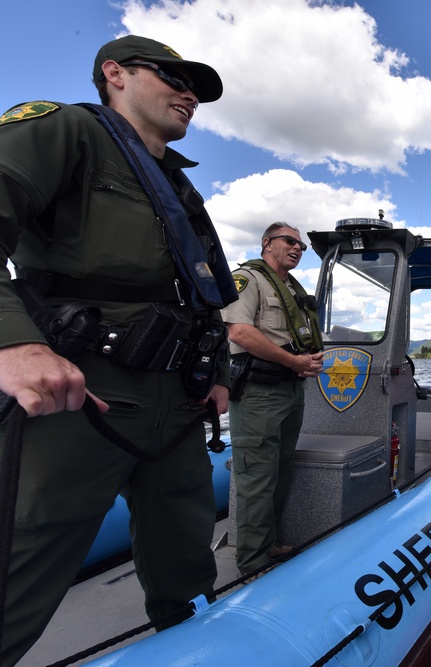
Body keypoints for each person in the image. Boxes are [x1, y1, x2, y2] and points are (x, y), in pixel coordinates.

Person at [0, 35, 235, 665]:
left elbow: (203, 295)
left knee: (186, 561)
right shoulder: (65, 131)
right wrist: (14, 343)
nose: (190, 94)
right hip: (80, 395)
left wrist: (216, 373)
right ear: (115, 74)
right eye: (174, 77)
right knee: (27, 554)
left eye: (198, 89)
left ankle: (195, 650)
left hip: (178, 405)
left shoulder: (181, 192)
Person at [222, 223, 324, 577]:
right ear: (267, 243)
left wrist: (306, 361)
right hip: (259, 394)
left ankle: (269, 544)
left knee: (279, 472)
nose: (297, 248)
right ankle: (252, 564)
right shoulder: (247, 279)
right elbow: (240, 331)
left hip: (290, 389)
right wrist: (294, 361)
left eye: (302, 245)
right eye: (290, 241)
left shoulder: (291, 288)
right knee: (256, 478)